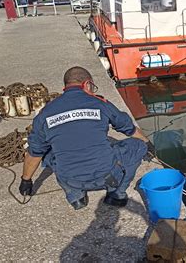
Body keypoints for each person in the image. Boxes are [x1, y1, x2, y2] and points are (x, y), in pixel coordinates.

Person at [19, 66, 148, 210]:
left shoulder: (45, 113)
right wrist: (147, 143)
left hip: (70, 180)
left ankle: (76, 197)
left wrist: (26, 180)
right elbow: (129, 129)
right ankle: (116, 195)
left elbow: (34, 153)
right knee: (138, 146)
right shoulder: (100, 104)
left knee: (46, 151)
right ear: (87, 84)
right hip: (107, 175)